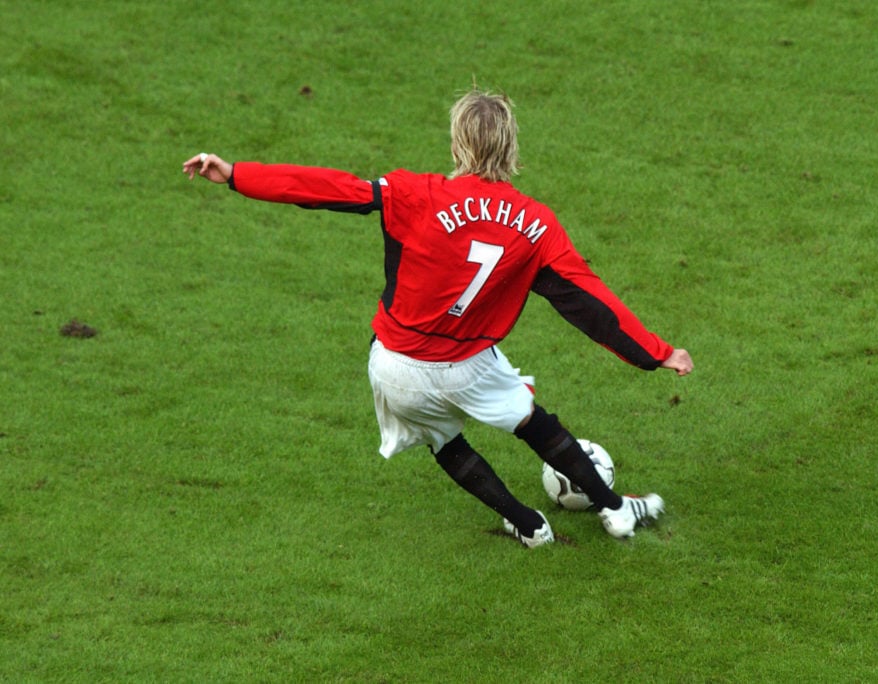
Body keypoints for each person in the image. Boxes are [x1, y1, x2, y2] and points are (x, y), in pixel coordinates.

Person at [182, 88, 693, 548]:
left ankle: (528, 525)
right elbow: (589, 303)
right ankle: (615, 510)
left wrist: (238, 175)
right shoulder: (537, 225)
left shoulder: (413, 194)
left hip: (396, 365)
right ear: (511, 150)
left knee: (443, 440)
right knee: (533, 423)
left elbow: (332, 189)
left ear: (457, 146)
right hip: (469, 362)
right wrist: (657, 353)